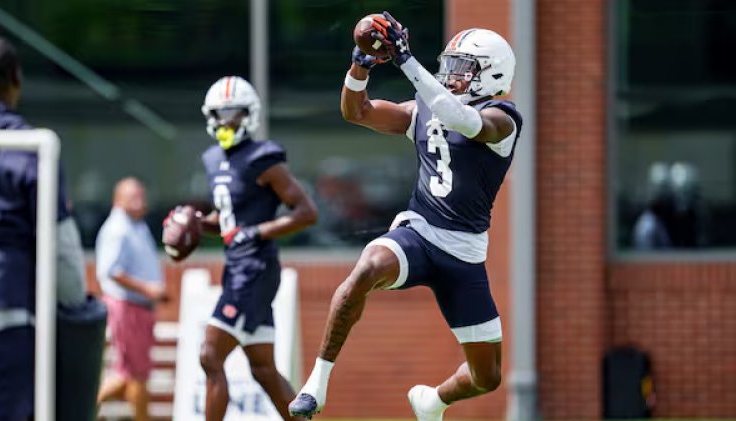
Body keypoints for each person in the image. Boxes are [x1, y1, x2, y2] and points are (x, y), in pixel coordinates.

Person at [289, 13, 522, 421]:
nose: (451, 75)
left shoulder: (504, 118)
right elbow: (356, 111)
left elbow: (463, 121)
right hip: (419, 232)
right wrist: (360, 65)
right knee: (367, 268)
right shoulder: (424, 108)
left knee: (487, 377)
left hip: (464, 256)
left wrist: (406, 60)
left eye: (463, 69)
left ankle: (433, 401)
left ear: (492, 74)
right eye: (449, 66)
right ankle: (316, 381)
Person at [191, 76, 318, 421]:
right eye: (219, 114)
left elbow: (306, 212)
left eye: (233, 113)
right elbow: (231, 218)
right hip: (237, 270)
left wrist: (257, 232)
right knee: (263, 370)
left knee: (210, 356)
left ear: (250, 114)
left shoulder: (263, 158)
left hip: (256, 270)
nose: (225, 121)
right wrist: (199, 222)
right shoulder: (213, 159)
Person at [0, 36, 86, 421]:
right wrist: (77, 303)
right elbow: (61, 248)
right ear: (15, 79)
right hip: (5, 307)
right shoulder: (30, 148)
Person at [95, 177, 166, 421]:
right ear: (118, 199)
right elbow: (111, 270)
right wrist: (148, 289)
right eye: (133, 196)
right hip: (127, 307)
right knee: (135, 376)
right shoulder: (117, 228)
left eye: (142, 196)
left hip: (138, 309)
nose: (140, 202)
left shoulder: (136, 224)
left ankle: (81, 409)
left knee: (128, 375)